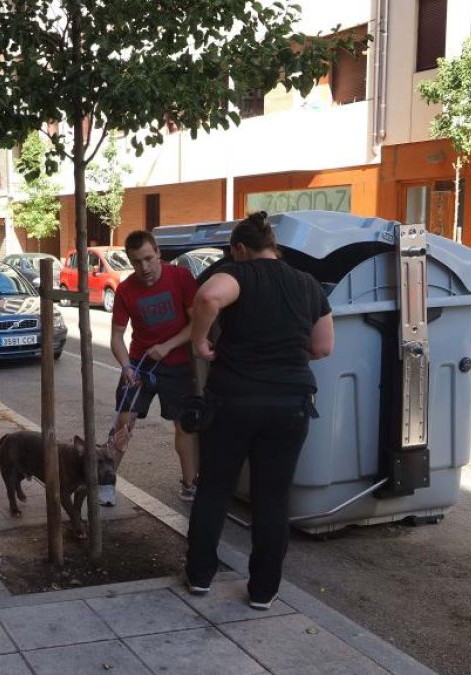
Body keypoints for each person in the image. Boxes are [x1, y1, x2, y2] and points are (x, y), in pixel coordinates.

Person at [184, 211, 334, 609]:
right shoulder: (307, 284)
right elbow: (323, 347)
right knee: (273, 498)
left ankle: (200, 577)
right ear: (275, 248)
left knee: (215, 486)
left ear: (239, 249)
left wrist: (200, 343)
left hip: (233, 399)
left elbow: (208, 297)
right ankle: (263, 591)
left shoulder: (240, 273)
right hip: (290, 404)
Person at [102, 230, 200, 506]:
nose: (144, 268)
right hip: (139, 365)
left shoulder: (180, 278)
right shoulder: (125, 290)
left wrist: (168, 346)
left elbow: (197, 325)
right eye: (136, 262)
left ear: (158, 253)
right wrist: (125, 366)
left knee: (186, 426)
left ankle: (190, 484)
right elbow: (116, 337)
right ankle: (106, 484)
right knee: (123, 423)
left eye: (148, 259)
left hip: (177, 364)